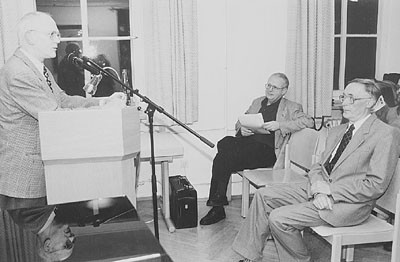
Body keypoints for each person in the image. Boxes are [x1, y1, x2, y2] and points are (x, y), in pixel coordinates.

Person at [231, 78, 400, 262]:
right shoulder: (339, 130)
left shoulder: (385, 134)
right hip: (319, 190)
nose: (343, 103)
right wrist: (318, 187)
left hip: (349, 204)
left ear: (370, 102)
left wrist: (330, 192)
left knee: (279, 219)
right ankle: (249, 256)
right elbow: (318, 166)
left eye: (351, 98)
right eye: (343, 96)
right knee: (263, 195)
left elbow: (375, 185)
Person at [0, 11, 126, 210]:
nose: (58, 40)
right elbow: (55, 116)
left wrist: (102, 103)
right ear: (31, 36)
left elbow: (62, 99)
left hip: (41, 166)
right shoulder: (18, 72)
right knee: (40, 238)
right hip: (24, 177)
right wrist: (102, 113)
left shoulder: (38, 68)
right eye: (52, 34)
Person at [199, 73, 314, 225]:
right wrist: (242, 129)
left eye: (275, 87)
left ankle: (217, 207)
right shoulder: (257, 102)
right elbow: (241, 121)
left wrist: (280, 125)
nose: (270, 90)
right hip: (248, 145)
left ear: (284, 90)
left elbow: (309, 121)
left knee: (223, 154)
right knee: (225, 145)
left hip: (267, 152)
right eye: (268, 85)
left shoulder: (292, 107)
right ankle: (217, 206)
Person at [8, 205, 75, 261]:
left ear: (48, 245)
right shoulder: (53, 215)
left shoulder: (29, 220)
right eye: (73, 241)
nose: (72, 237)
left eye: (67, 245)